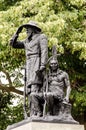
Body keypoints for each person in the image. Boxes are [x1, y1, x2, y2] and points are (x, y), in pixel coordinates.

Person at [10, 21, 48, 117]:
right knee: (29, 90)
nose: (26, 30)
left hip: (37, 62)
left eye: (28, 28)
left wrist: (43, 65)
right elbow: (13, 44)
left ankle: (37, 112)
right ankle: (33, 112)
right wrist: (17, 33)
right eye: (26, 28)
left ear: (33, 29)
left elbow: (44, 51)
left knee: (35, 86)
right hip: (28, 64)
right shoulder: (26, 41)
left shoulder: (41, 37)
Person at [45, 46, 71, 116]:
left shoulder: (63, 74)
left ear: (57, 64)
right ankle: (37, 113)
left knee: (49, 95)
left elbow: (68, 86)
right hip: (49, 94)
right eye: (52, 64)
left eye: (55, 63)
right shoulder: (47, 75)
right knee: (34, 95)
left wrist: (67, 97)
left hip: (59, 94)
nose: (53, 65)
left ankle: (50, 112)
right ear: (50, 65)